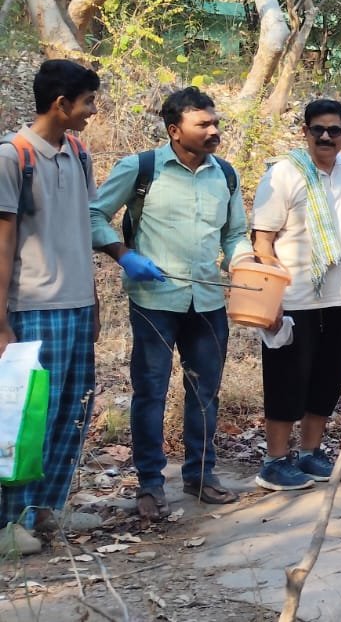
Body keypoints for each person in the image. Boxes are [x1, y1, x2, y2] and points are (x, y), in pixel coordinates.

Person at [89, 87, 247, 517]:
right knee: (150, 393)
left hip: (209, 302)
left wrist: (244, 262)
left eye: (215, 122)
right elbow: (91, 215)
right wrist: (124, 256)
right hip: (154, 300)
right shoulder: (141, 169)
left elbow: (234, 234)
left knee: (205, 393)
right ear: (175, 131)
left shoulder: (226, 175)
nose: (214, 131)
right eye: (204, 124)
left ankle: (200, 476)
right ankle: (150, 485)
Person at [0, 60, 101, 554]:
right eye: (86, 103)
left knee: (73, 409)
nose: (91, 112)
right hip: (34, 307)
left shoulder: (79, 153)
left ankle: (45, 507)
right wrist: (0, 322)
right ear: (61, 104)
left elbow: (83, 228)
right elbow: (2, 244)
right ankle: (8, 520)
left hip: (78, 304)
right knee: (27, 414)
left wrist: (96, 298)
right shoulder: (13, 155)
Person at [249, 99, 341, 491]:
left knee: (329, 376)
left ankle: (310, 453)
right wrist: (271, 297)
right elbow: (262, 240)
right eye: (318, 129)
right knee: (286, 377)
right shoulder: (283, 174)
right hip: (295, 297)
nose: (326, 137)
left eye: (335, 130)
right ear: (305, 132)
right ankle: (274, 460)